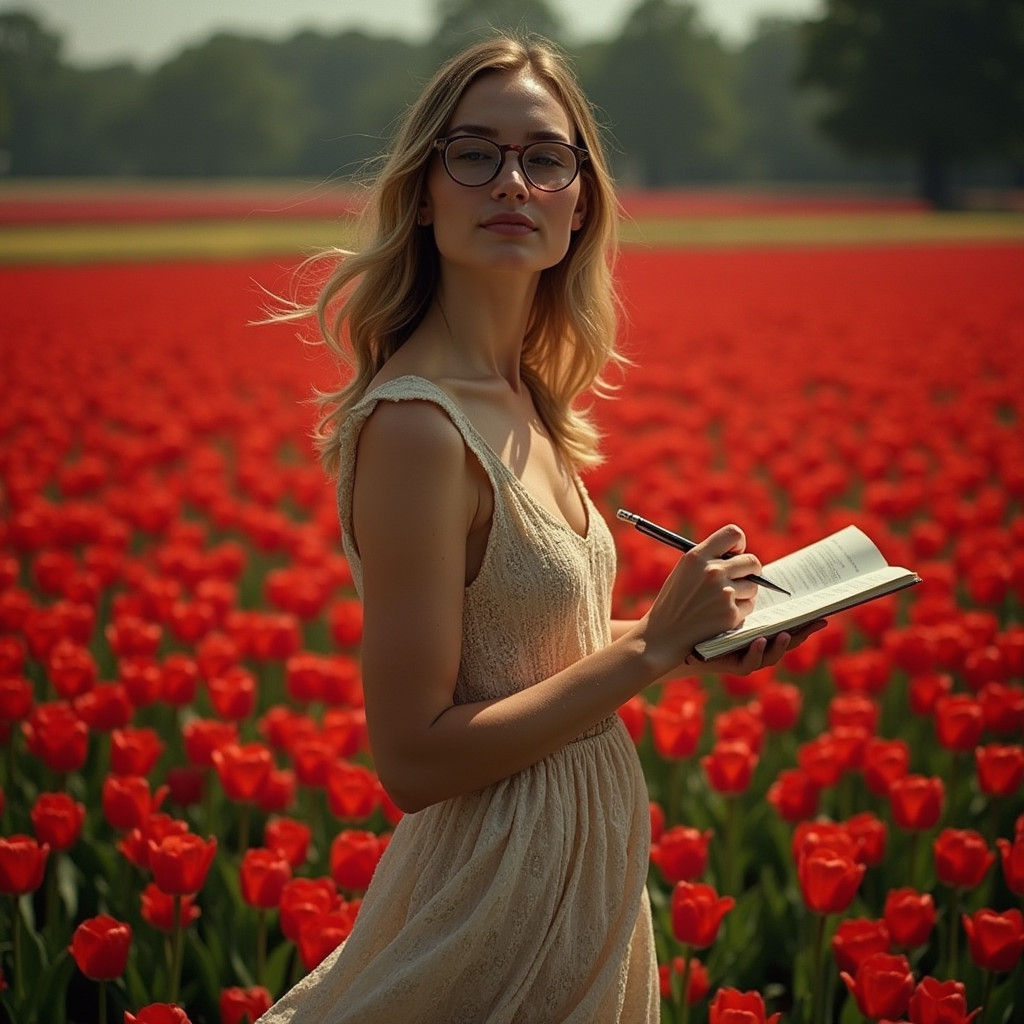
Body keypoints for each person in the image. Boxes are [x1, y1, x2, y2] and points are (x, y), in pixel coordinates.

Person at [258, 34, 822, 1024]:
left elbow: (519, 655)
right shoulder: (420, 429)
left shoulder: (523, 394)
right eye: (473, 152)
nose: (511, 180)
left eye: (544, 157)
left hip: (572, 875)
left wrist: (693, 636)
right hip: (493, 889)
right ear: (425, 190)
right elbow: (413, 756)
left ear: (579, 202)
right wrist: (649, 648)